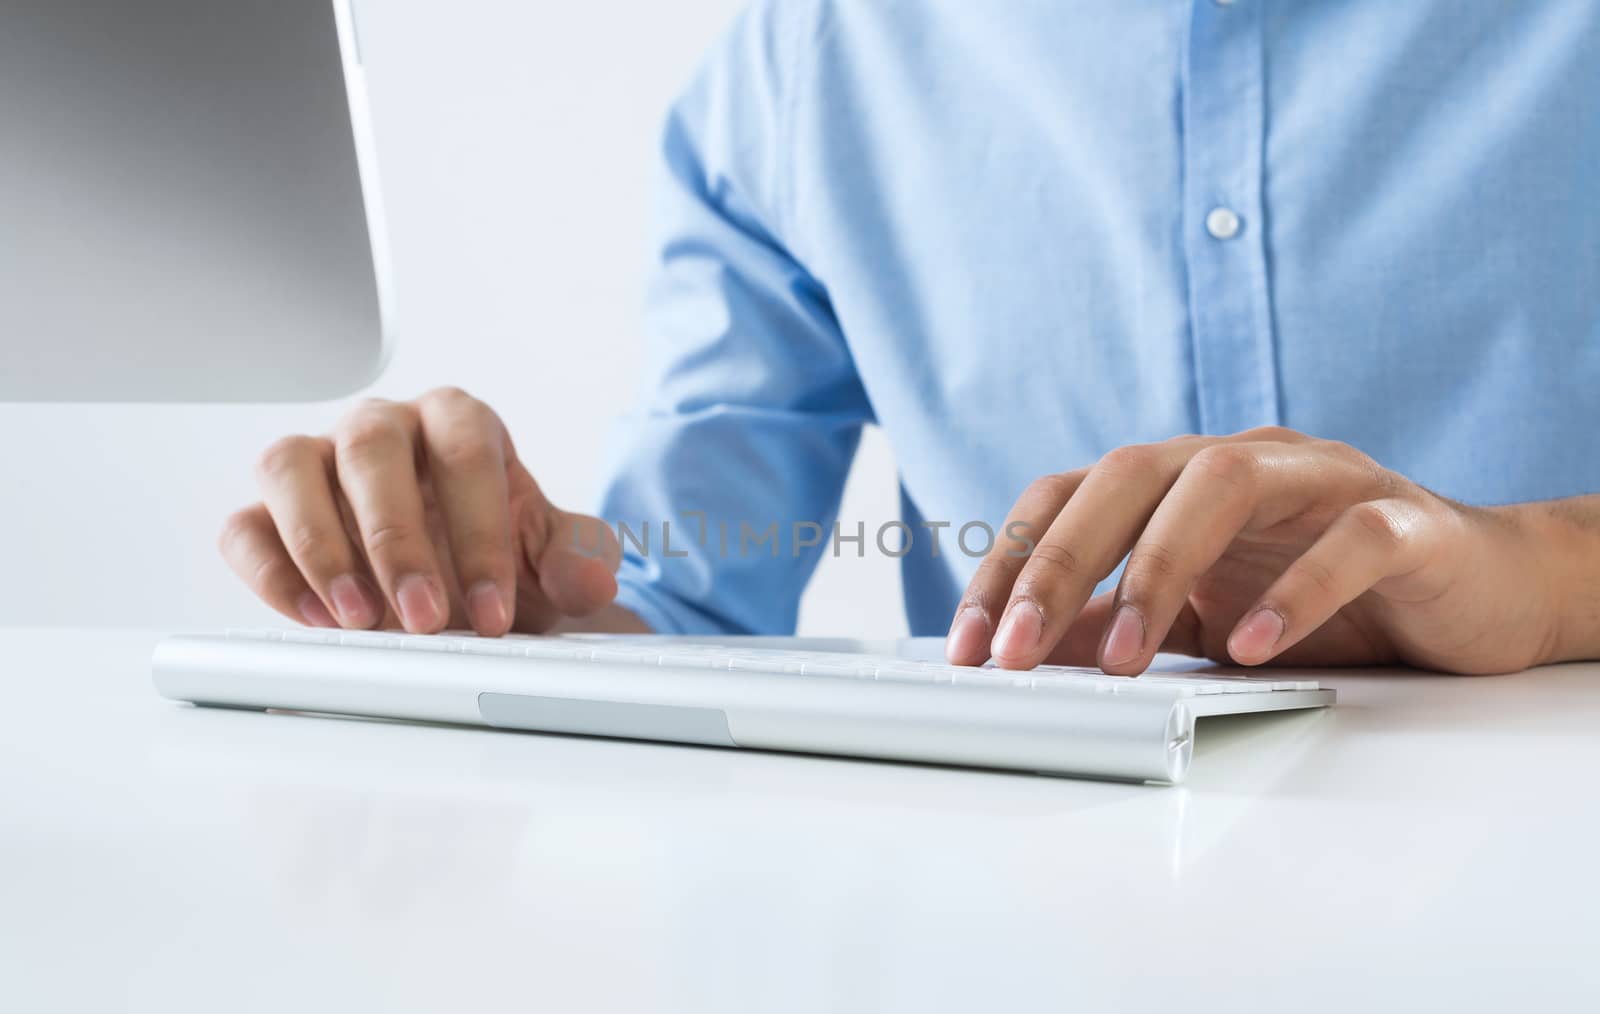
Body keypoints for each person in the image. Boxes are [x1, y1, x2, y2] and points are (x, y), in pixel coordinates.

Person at [218, 1, 1600, 677]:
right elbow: (691, 592)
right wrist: (510, 584)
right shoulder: (810, 61)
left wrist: (1543, 581)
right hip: (1047, 951)